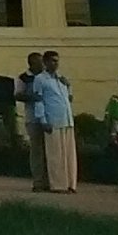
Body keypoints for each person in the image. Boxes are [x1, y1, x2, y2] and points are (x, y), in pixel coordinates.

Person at [33, 50, 77, 193]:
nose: (55, 63)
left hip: (67, 119)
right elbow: (38, 100)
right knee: (55, 155)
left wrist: (69, 86)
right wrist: (43, 120)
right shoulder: (40, 79)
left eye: (57, 60)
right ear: (45, 62)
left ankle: (71, 183)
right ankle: (58, 184)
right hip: (53, 120)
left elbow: (69, 99)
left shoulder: (61, 79)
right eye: (52, 60)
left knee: (69, 155)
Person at [13, 52, 48, 192]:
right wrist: (33, 97)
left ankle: (50, 179)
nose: (42, 65)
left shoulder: (46, 77)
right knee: (37, 151)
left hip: (48, 116)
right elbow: (17, 95)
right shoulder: (23, 78)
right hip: (33, 118)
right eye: (40, 62)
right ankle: (38, 181)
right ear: (32, 63)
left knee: (49, 150)